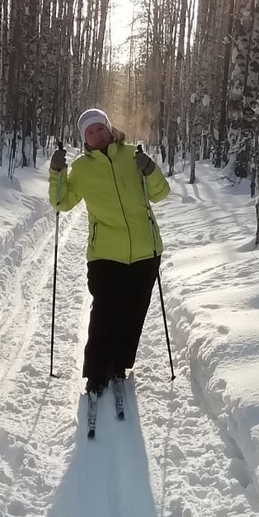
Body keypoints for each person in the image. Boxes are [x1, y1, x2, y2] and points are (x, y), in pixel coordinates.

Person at [49, 107, 170, 398]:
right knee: (105, 312)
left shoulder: (133, 155)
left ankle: (119, 365)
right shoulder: (82, 168)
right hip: (104, 253)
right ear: (84, 138)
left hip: (146, 249)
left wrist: (150, 169)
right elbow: (61, 202)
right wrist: (56, 173)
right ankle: (96, 373)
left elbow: (160, 193)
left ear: (109, 128)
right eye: (90, 132)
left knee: (134, 311)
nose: (96, 135)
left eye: (99, 128)